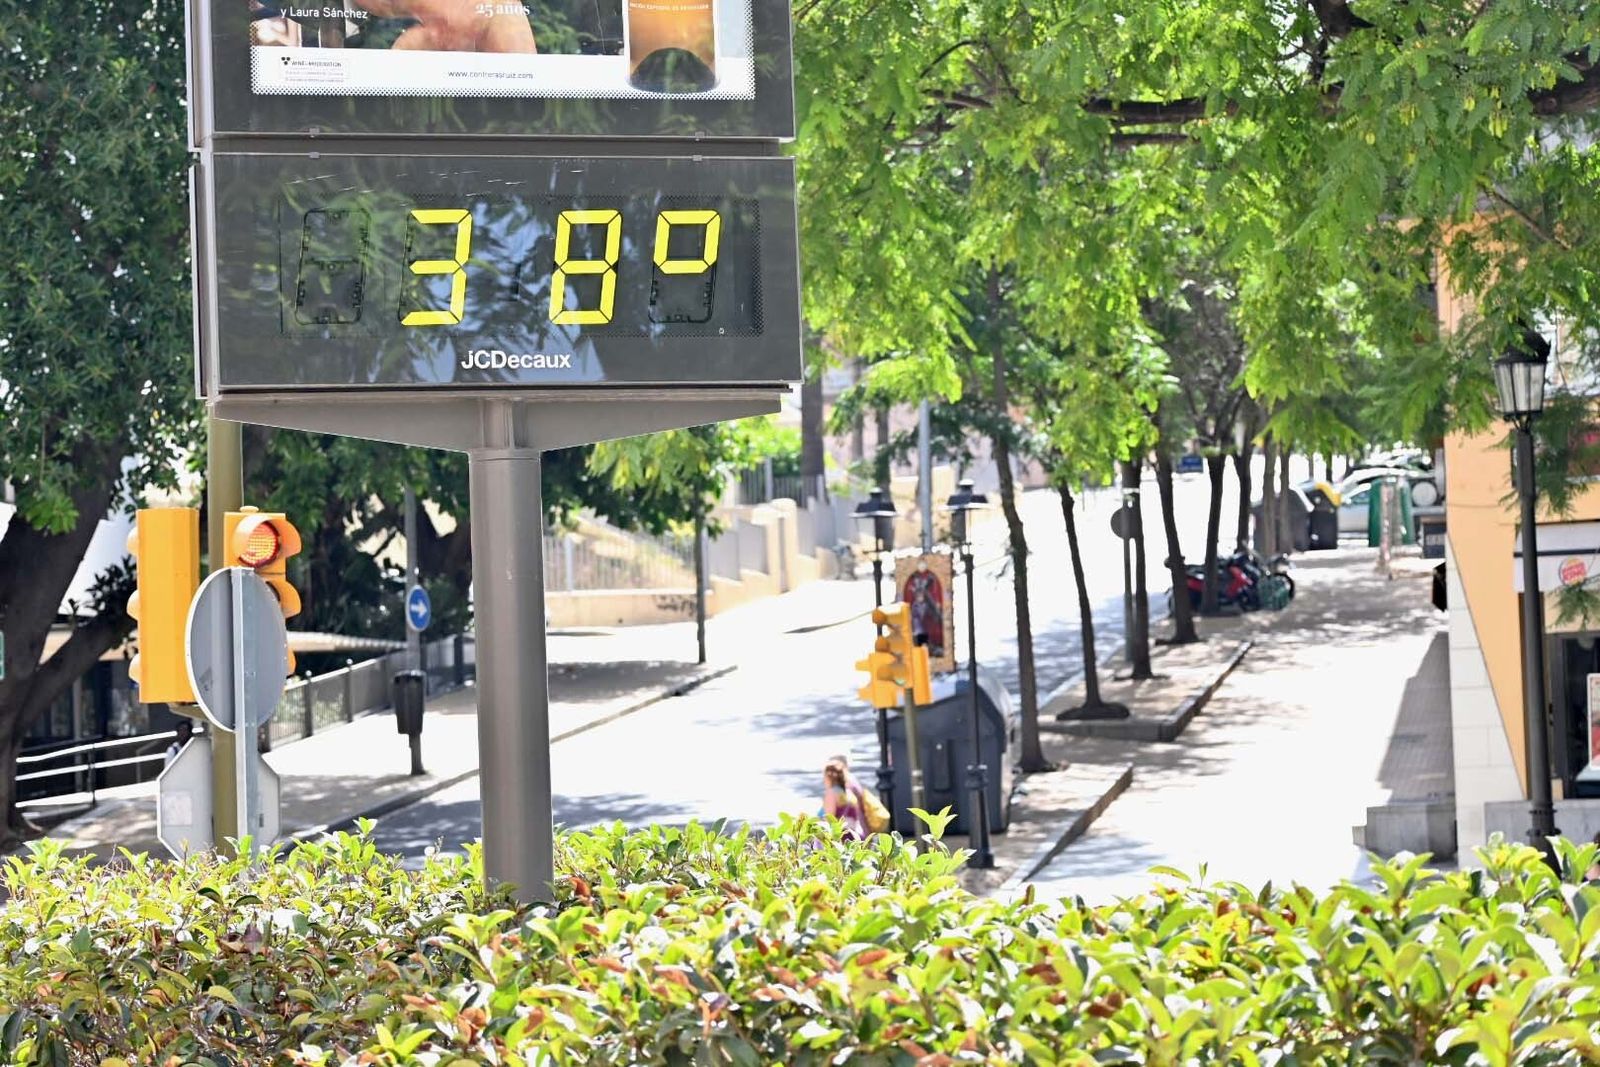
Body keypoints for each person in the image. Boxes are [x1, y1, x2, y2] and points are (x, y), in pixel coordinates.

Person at [821, 757, 867, 840]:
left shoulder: (831, 793)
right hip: (855, 835)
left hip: (841, 838)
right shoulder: (848, 793)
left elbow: (829, 819)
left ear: (828, 777)